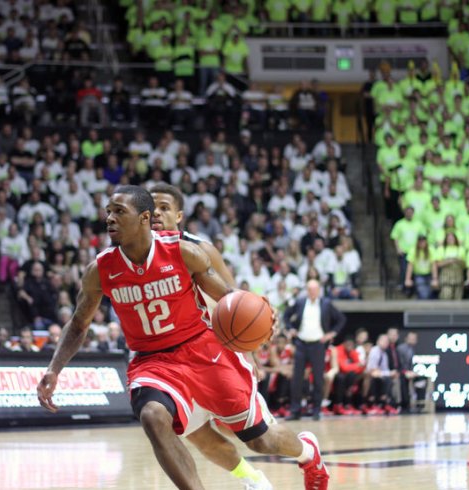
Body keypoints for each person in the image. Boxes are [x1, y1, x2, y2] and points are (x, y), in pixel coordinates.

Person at [37, 186, 330, 490]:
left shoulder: (184, 251)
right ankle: (244, 481)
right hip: (153, 362)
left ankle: (308, 453)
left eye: (119, 212)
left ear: (144, 218)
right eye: (108, 212)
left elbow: (229, 298)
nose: (109, 218)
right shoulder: (100, 270)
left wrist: (259, 318)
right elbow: (77, 324)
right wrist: (54, 369)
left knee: (260, 440)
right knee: (153, 416)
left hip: (203, 350)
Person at [149, 183, 274, 489]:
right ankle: (252, 478)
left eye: (164, 208)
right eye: (151, 208)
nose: (156, 214)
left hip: (213, 351)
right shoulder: (130, 252)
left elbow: (235, 301)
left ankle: (299, 450)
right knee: (200, 438)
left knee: (248, 433)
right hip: (168, 361)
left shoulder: (200, 249)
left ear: (179, 215)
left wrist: (249, 352)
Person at [283, 279, 347, 421]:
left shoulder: (326, 303)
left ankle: (316, 410)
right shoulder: (300, 302)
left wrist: (332, 333)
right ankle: (295, 411)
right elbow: (286, 316)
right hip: (301, 344)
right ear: (307, 290)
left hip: (318, 345)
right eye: (310, 289)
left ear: (319, 290)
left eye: (315, 289)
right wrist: (290, 329)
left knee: (318, 379)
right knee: (297, 379)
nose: (312, 292)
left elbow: (341, 319)